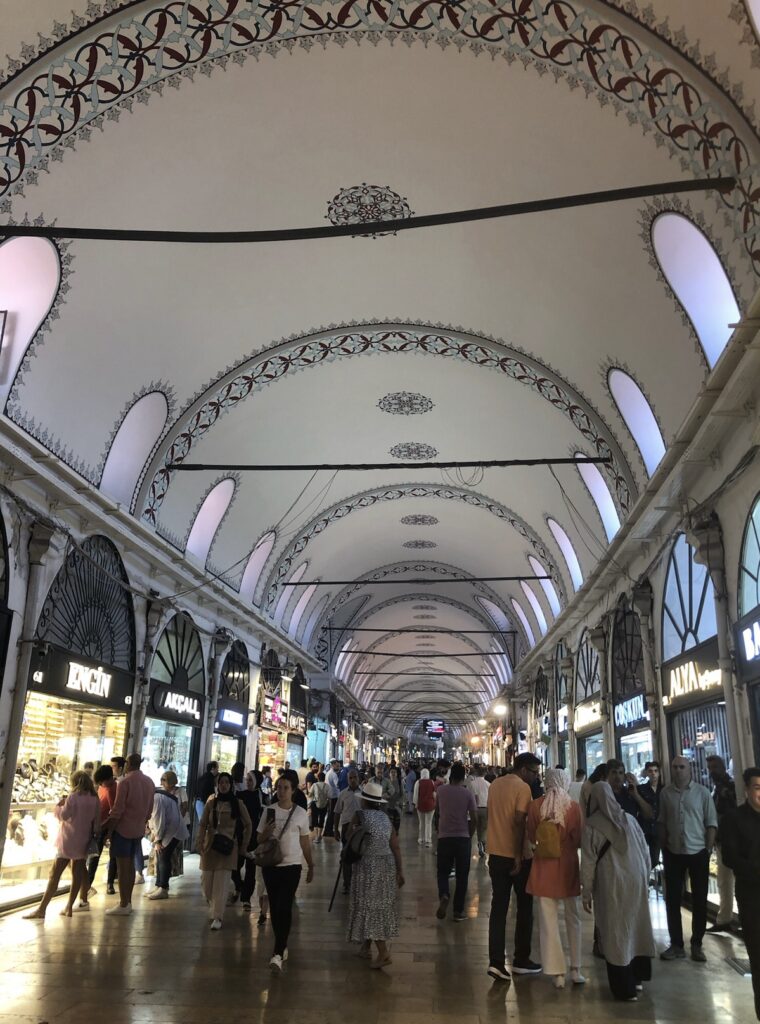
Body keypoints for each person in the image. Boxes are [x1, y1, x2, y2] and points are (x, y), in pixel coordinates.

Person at [581, 781, 655, 1001]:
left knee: (615, 931)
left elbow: (588, 862)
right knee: (637, 924)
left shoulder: (592, 825)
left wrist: (587, 891)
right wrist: (646, 877)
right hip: (636, 879)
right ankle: (639, 976)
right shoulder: (630, 819)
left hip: (611, 882)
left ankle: (625, 988)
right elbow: (645, 851)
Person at [486, 752, 543, 980]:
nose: (536, 778)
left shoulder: (495, 785)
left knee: (498, 908)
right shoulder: (522, 788)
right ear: (523, 770)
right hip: (515, 856)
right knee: (525, 907)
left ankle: (496, 962)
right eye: (534, 772)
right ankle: (521, 959)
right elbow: (519, 821)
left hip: (495, 854)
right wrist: (519, 855)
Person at [526, 769, 584, 988]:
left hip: (543, 867)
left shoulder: (535, 806)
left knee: (548, 921)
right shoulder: (573, 808)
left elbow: (532, 835)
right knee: (573, 917)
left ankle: (556, 972)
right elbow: (578, 838)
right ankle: (576, 969)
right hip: (568, 867)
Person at [658, 755, 718, 962]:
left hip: (698, 853)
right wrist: (663, 847)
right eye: (674, 767)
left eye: (682, 767)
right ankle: (676, 944)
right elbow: (663, 822)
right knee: (672, 899)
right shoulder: (666, 794)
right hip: (673, 853)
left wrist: (708, 849)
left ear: (689, 769)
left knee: (700, 900)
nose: (678, 770)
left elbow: (711, 823)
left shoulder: (702, 794)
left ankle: (697, 944)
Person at [24, 770, 100, 920]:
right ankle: (69, 907)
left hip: (68, 840)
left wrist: (59, 807)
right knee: (76, 874)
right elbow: (97, 824)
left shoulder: (73, 797)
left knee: (54, 875)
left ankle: (42, 908)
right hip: (83, 840)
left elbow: (64, 816)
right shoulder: (95, 799)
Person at [257, 774, 313, 970]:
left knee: (284, 906)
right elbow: (259, 839)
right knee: (274, 906)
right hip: (271, 866)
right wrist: (266, 832)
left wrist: (311, 865)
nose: (281, 791)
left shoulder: (299, 814)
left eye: (285, 788)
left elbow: (305, 841)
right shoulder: (269, 811)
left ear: (293, 790)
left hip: (292, 866)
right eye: (278, 787)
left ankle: (278, 952)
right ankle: (282, 945)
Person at [346, 780, 404, 969]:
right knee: (378, 906)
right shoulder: (385, 818)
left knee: (368, 906)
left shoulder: (359, 816)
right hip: (386, 865)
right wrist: (399, 870)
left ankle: (384, 952)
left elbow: (348, 838)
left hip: (367, 866)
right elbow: (395, 845)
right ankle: (365, 947)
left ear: (364, 801)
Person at [720, 766, 760, 1021]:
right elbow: (730, 857)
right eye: (757, 788)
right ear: (746, 790)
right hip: (752, 896)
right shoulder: (734, 819)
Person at [102, 753, 155, 916]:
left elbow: (117, 810)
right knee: (130, 866)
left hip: (123, 830)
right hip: (138, 830)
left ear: (128, 764)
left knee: (123, 867)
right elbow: (149, 809)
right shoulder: (149, 782)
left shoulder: (124, 782)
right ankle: (128, 901)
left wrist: (108, 830)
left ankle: (124, 903)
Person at [198, 771, 252, 930]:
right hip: (210, 847)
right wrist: (199, 840)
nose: (224, 785)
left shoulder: (237, 803)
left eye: (227, 783)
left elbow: (248, 824)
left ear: (231, 785)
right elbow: (202, 824)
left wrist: (244, 844)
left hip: (228, 849)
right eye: (221, 782)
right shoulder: (211, 803)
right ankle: (214, 905)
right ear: (217, 785)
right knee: (206, 883)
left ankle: (218, 916)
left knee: (221, 884)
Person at [435, 763, 477, 922]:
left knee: (443, 871)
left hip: (445, 837)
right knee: (462, 875)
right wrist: (469, 833)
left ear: (451, 775)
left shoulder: (441, 791)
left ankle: (444, 894)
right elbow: (474, 818)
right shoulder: (467, 794)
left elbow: (438, 811)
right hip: (462, 838)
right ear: (463, 777)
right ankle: (458, 911)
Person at [705, 755, 737, 934]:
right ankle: (725, 918)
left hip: (731, 841)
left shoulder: (729, 787)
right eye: (709, 768)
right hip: (722, 841)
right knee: (724, 881)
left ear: (723, 767)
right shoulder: (717, 788)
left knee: (728, 880)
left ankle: (726, 918)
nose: (711, 771)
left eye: (714, 767)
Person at [79, 763, 117, 907]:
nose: (101, 784)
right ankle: (87, 887)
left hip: (104, 827)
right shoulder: (103, 787)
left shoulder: (113, 789)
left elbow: (114, 812)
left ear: (108, 778)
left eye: (102, 781)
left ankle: (108, 883)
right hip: (98, 826)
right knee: (94, 857)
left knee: (103, 856)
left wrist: (108, 830)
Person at [232, 770, 263, 911]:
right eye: (247, 779)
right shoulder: (240, 796)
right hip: (239, 835)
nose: (248, 782)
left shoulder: (262, 797)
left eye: (251, 780)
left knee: (251, 870)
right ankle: (239, 886)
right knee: (235, 866)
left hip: (254, 838)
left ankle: (246, 898)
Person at [334, 769, 363, 892]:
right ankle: (347, 883)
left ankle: (358, 883)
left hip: (360, 828)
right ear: (347, 779)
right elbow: (337, 812)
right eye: (350, 778)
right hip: (346, 828)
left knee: (360, 856)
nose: (352, 780)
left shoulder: (363, 793)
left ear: (358, 778)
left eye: (354, 777)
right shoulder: (343, 794)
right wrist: (335, 829)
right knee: (346, 856)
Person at [605, 759, 654, 830]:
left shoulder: (630, 792)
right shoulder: (604, 793)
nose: (617, 776)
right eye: (614, 772)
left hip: (631, 833)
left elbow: (649, 815)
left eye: (620, 773)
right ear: (607, 775)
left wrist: (636, 795)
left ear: (624, 776)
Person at [637, 761, 663, 870]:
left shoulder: (664, 789)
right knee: (642, 857)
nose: (653, 774)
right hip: (645, 828)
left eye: (655, 771)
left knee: (654, 859)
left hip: (658, 829)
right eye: (650, 771)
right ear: (647, 773)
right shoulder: (641, 789)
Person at [466, 765, 490, 857]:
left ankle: (470, 844)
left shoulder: (472, 783)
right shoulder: (488, 784)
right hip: (485, 808)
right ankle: (481, 842)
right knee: (483, 828)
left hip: (474, 809)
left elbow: (469, 796)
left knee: (473, 828)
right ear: (485, 773)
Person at [413, 768, 436, 846]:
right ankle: (428, 840)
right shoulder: (432, 782)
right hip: (430, 805)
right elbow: (434, 794)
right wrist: (435, 802)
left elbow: (416, 794)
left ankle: (421, 838)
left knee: (421, 822)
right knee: (428, 823)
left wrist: (415, 803)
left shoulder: (418, 782)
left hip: (420, 805)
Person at [310, 771, 329, 843]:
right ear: (324, 778)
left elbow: (310, 794)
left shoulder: (315, 785)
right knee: (322, 819)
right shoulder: (327, 786)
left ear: (318, 778)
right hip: (324, 804)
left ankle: (316, 837)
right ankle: (319, 835)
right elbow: (329, 796)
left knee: (315, 819)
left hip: (315, 804)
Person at [384, 767, 403, 833]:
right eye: (391, 772)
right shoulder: (386, 782)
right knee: (389, 824)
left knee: (396, 825)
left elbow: (402, 794)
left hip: (397, 807)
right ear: (389, 774)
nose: (393, 773)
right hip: (388, 806)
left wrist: (400, 803)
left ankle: (395, 837)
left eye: (394, 772)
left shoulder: (400, 782)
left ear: (397, 774)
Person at [324, 759, 340, 837]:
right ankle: (328, 831)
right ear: (333, 764)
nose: (338, 767)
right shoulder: (333, 774)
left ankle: (327, 830)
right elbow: (337, 785)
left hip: (329, 795)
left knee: (330, 814)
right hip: (334, 796)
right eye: (337, 765)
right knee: (332, 814)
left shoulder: (328, 773)